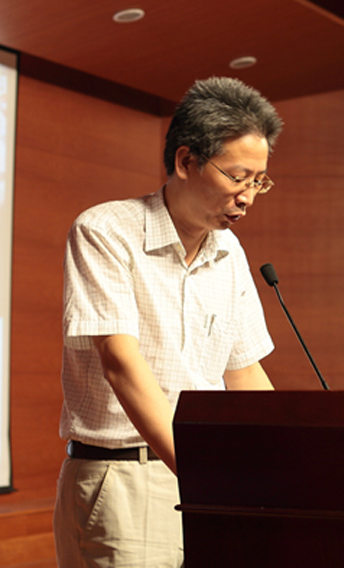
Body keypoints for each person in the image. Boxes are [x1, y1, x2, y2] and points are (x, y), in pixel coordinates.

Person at [53, 77, 283, 567]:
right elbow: (120, 363)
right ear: (185, 161)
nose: (248, 196)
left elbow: (244, 373)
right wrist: (205, 476)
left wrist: (287, 459)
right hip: (126, 479)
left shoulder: (230, 252)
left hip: (212, 480)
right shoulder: (106, 231)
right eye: (238, 177)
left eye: (259, 181)